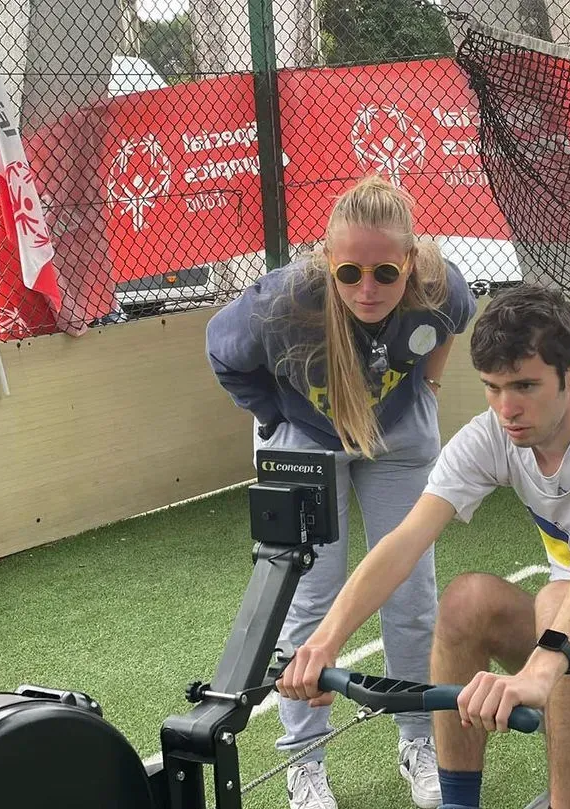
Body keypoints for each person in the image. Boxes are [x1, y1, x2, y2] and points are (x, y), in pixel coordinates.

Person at [278, 284, 570, 809]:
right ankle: (459, 803)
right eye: (493, 387)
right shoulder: (492, 437)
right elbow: (404, 542)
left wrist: (543, 667)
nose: (508, 408)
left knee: (557, 598)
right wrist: (323, 643)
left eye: (525, 386)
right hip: (566, 651)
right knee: (466, 599)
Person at [206, 175, 477, 809]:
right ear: (328, 259)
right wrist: (274, 413)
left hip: (396, 437)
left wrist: (429, 388)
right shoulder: (282, 301)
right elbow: (224, 354)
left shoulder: (440, 285)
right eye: (349, 272)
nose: (367, 289)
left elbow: (454, 323)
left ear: (410, 260)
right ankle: (304, 762)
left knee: (412, 594)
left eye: (385, 273)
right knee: (308, 597)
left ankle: (418, 740)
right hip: (306, 440)